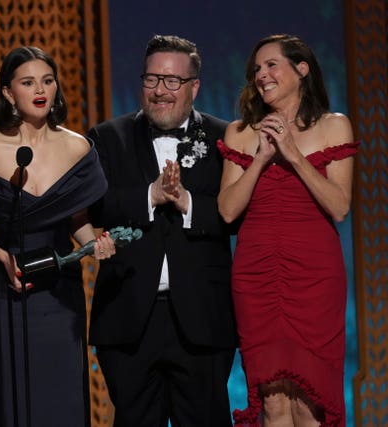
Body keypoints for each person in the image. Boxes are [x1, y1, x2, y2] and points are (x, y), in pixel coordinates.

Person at [0, 46, 116, 427]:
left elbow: (77, 222)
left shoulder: (77, 147)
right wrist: (0, 256)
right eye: (28, 82)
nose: (40, 90)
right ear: (9, 93)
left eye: (47, 80)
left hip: (60, 292)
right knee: (10, 397)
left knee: (60, 396)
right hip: (6, 288)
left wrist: (95, 244)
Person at [87, 35, 237, 426]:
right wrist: (150, 196)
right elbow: (93, 208)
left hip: (202, 320)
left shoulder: (224, 138)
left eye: (172, 81)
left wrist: (187, 202)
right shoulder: (106, 137)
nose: (160, 91)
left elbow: (237, 215)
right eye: (152, 79)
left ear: (194, 87)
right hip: (129, 318)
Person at [217, 34, 358, 426]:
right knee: (273, 400)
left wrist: (293, 154)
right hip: (257, 272)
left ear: (302, 69)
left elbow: (340, 206)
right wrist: (261, 158)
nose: (261, 75)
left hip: (313, 274)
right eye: (256, 70)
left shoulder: (334, 126)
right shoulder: (240, 132)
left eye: (270, 65)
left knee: (309, 400)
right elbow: (227, 211)